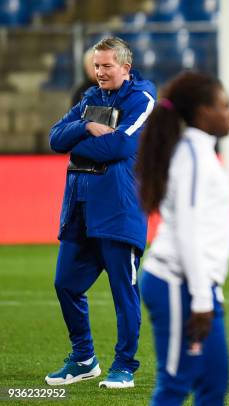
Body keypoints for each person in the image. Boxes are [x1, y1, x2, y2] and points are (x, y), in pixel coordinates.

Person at [45, 37, 156, 388]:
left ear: (125, 66)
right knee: (65, 284)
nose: (100, 72)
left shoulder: (142, 98)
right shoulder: (90, 98)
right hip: (80, 206)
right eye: (96, 66)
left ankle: (124, 365)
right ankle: (83, 358)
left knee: (124, 293)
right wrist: (85, 127)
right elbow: (54, 138)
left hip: (118, 208)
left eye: (107, 65)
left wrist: (76, 144)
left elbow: (122, 145)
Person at [137, 71, 229, 406]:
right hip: (177, 284)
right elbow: (188, 229)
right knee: (176, 384)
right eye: (224, 105)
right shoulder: (191, 156)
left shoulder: (202, 153)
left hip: (198, 287)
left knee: (214, 381)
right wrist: (201, 298)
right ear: (203, 112)